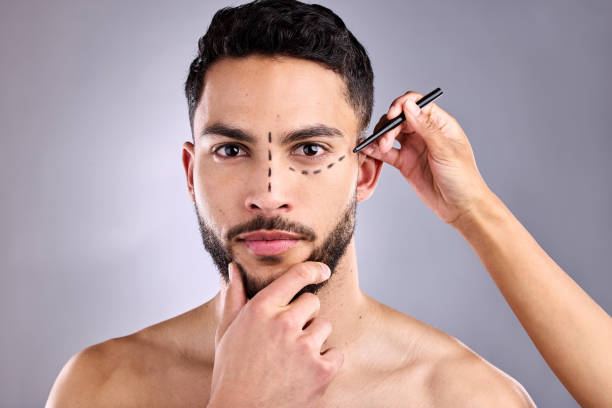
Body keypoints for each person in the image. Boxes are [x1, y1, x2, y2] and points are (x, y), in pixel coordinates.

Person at [46, 1, 540, 406]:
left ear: (364, 173)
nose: (268, 194)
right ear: (191, 173)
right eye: (232, 150)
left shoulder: (465, 396)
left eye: (308, 150)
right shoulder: (102, 387)